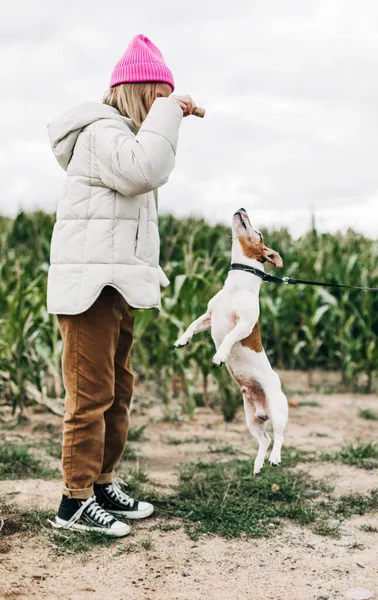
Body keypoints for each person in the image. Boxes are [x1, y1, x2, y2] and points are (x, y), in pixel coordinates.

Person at [46, 34, 196, 537]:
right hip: (90, 287)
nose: (160, 108)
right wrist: (173, 112)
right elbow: (144, 171)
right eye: (157, 96)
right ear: (136, 91)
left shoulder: (121, 137)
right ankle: (75, 502)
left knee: (117, 390)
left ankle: (102, 483)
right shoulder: (101, 134)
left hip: (114, 285)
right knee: (89, 397)